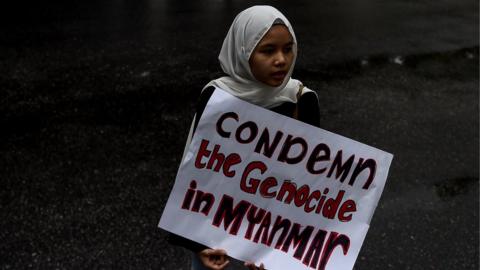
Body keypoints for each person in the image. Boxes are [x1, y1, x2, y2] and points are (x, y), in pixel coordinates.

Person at [168, 5, 320, 270]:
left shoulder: (302, 99)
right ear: (243, 52)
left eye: (288, 48)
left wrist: (280, 256)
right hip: (217, 238)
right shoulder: (217, 97)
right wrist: (200, 246)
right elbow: (197, 174)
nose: (282, 60)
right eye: (268, 50)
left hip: (275, 240)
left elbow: (310, 182)